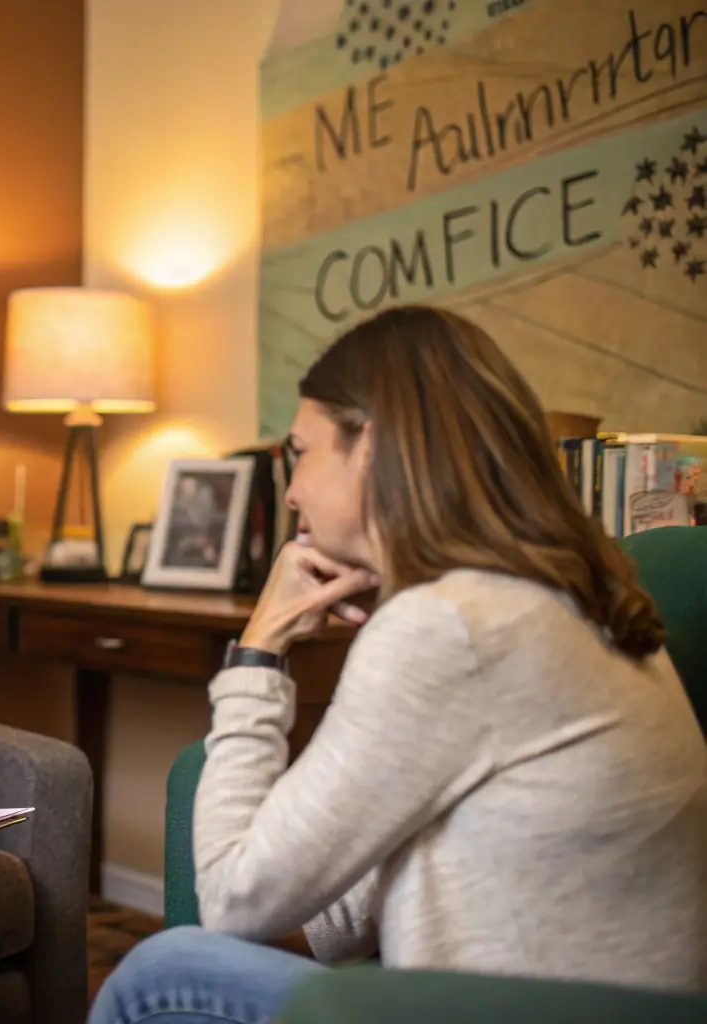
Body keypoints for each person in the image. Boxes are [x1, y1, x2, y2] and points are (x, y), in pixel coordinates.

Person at [90, 305, 707, 1024]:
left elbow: (229, 900)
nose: (291, 491)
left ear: (371, 448)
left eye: (302, 451)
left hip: (524, 1011)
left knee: (162, 971)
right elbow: (358, 893)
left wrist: (258, 649)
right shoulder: (575, 594)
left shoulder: (447, 626)